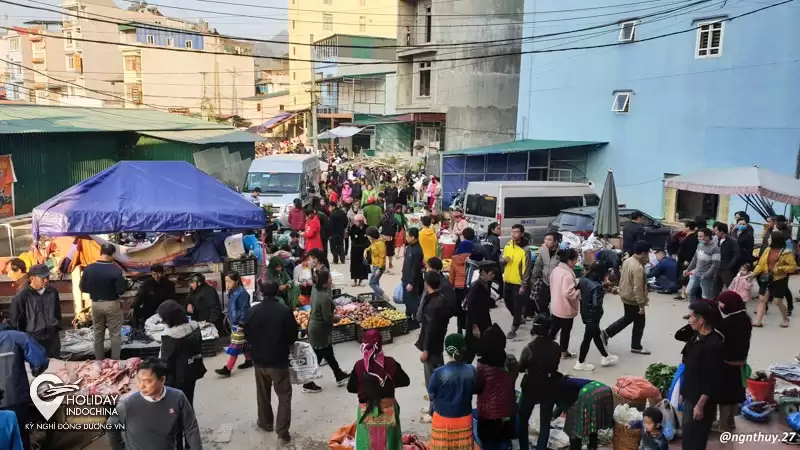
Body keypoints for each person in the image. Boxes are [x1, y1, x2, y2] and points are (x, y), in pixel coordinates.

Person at [244, 280, 298, 443]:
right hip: (278, 361)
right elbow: (292, 336)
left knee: (262, 393)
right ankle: (282, 431)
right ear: (276, 293)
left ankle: (265, 422)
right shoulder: (284, 311)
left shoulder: (253, 311)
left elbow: (247, 334)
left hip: (259, 360)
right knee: (284, 395)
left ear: (261, 293)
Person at [107, 358, 202, 450]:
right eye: (139, 380)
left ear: (162, 380)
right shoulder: (127, 405)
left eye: (148, 381)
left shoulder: (177, 398)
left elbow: (191, 428)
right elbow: (111, 426)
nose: (141, 386)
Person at [347, 329, 411, 450]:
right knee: (389, 442)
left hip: (366, 409)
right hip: (388, 407)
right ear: (381, 344)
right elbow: (405, 381)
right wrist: (387, 385)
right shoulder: (391, 363)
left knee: (367, 441)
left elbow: (351, 388)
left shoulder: (359, 365)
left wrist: (366, 388)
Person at [674, 302, 725, 450]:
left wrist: (700, 405)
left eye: (691, 317)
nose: (689, 320)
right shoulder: (696, 336)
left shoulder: (713, 345)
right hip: (691, 393)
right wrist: (683, 391)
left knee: (696, 437)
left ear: (701, 320)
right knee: (688, 433)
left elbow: (712, 378)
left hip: (701, 400)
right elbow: (680, 337)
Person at [0, 319, 48, 450]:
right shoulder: (18, 337)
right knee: (19, 440)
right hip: (14, 399)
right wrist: (35, 371)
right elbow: (40, 361)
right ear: (2, 318)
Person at [427, 333, 481, 450]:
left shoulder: (438, 373)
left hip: (442, 421)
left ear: (446, 350)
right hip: (464, 421)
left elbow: (432, 395)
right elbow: (477, 389)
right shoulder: (471, 371)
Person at [518, 314, 562, 450]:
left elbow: (520, 368)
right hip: (548, 387)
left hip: (530, 386)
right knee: (545, 423)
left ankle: (524, 447)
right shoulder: (556, 347)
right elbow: (554, 367)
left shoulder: (529, 348)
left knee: (523, 419)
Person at [304, 269, 350, 393]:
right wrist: (339, 318)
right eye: (329, 278)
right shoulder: (323, 297)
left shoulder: (316, 290)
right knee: (318, 356)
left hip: (316, 328)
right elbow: (327, 318)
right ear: (324, 282)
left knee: (328, 353)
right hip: (319, 330)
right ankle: (307, 382)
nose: (331, 280)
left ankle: (339, 374)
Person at [603, 240, 651, 355]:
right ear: (644, 253)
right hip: (633, 298)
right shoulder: (637, 267)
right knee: (639, 321)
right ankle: (635, 346)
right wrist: (641, 305)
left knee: (629, 318)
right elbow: (638, 288)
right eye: (647, 253)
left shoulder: (628, 261)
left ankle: (607, 333)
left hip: (625, 294)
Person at [79, 243, 126, 361]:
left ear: (101, 252)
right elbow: (121, 291)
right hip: (111, 303)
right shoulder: (116, 270)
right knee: (115, 334)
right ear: (113, 254)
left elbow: (83, 288)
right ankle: (114, 362)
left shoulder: (89, 269)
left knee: (98, 334)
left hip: (95, 304)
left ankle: (99, 361)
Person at [475, 325, 519, 450]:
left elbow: (477, 388)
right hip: (507, 411)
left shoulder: (481, 367)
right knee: (504, 443)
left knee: (488, 444)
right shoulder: (511, 362)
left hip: (487, 415)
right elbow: (514, 376)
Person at [156, 300, 206, 409]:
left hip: (176, 377)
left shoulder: (171, 336)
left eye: (163, 318)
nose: (162, 321)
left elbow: (166, 361)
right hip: (192, 370)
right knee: (188, 401)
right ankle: (190, 423)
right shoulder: (194, 328)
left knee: (175, 407)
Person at [714, 291, 752, 433]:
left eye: (722, 303)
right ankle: (731, 423)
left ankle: (723, 427)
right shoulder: (745, 319)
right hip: (739, 364)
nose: (720, 306)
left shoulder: (729, 323)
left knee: (725, 397)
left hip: (726, 364)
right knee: (734, 395)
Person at [417, 271, 451, 420]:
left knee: (432, 380)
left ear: (427, 284)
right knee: (435, 376)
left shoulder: (433, 304)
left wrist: (425, 349)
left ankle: (435, 411)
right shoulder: (440, 299)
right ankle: (433, 407)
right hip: (437, 345)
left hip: (432, 348)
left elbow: (430, 329)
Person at [9, 264, 61, 358]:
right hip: (34, 339)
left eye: (47, 277)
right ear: (32, 278)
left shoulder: (52, 292)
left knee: (56, 367)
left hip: (53, 338)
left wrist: (57, 326)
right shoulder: (22, 296)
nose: (46, 280)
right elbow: (16, 321)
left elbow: (57, 312)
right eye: (42, 278)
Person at [575, 262, 617, 371]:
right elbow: (596, 304)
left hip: (585, 313)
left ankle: (606, 356)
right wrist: (602, 291)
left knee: (596, 336)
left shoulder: (583, 279)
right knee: (588, 338)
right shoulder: (597, 287)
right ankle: (580, 362)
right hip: (593, 316)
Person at [750, 232, 796, 328]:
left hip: (779, 279)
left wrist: (779, 269)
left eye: (770, 238)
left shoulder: (786, 252)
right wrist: (753, 274)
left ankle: (785, 318)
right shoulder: (767, 250)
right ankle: (758, 321)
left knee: (777, 301)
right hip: (766, 277)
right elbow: (761, 264)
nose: (768, 240)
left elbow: (793, 267)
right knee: (762, 299)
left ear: (775, 240)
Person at [558, 376, 614, 450]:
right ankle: (592, 446)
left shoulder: (557, 389)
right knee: (593, 422)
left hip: (589, 394)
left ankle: (575, 448)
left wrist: (554, 416)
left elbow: (566, 407)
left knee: (573, 426)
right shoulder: (569, 381)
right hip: (604, 389)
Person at [216, 272, 252, 377]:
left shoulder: (242, 293)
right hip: (234, 322)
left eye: (229, 281)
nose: (227, 284)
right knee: (244, 343)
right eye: (226, 281)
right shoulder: (233, 292)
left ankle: (228, 368)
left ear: (236, 281)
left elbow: (245, 309)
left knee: (235, 346)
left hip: (239, 323)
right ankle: (249, 360)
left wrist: (241, 324)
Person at [548, 248, 580, 359]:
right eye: (575, 260)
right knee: (565, 332)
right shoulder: (567, 274)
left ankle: (545, 347)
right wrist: (579, 291)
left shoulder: (556, 270)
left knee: (553, 330)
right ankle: (563, 352)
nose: (576, 262)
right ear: (570, 261)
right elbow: (569, 293)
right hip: (566, 309)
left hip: (556, 306)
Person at [464, 260, 497, 364]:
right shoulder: (476, 287)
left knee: (486, 348)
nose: (493, 276)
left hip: (484, 321)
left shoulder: (486, 284)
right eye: (491, 274)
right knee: (470, 352)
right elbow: (471, 307)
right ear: (483, 273)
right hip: (476, 324)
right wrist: (475, 327)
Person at [502, 224, 531, 339]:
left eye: (516, 232)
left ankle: (514, 328)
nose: (514, 234)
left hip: (518, 282)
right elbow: (501, 260)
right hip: (508, 280)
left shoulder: (526, 250)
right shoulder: (508, 245)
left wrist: (524, 285)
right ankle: (519, 318)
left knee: (517, 305)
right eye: (512, 232)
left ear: (522, 234)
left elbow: (527, 269)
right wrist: (503, 261)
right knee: (507, 302)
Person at [132, 264, 175, 329]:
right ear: (151, 273)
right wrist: (133, 306)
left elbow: (171, 299)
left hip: (163, 312)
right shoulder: (147, 283)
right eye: (154, 274)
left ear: (162, 273)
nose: (156, 276)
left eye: (159, 274)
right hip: (149, 311)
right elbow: (140, 296)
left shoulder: (169, 284)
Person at [684, 227, 720, 306]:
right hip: (696, 273)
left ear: (707, 237)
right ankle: (694, 310)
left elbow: (715, 264)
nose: (699, 238)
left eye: (701, 236)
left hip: (706, 277)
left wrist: (707, 274)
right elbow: (695, 258)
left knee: (706, 297)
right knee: (689, 291)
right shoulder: (700, 245)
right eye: (698, 236)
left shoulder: (715, 248)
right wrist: (688, 269)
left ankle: (707, 314)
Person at [449, 232, 473, 335]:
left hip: (458, 288)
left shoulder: (454, 259)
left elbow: (451, 276)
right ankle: (468, 330)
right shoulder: (472, 258)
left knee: (460, 311)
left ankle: (459, 330)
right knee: (469, 310)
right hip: (469, 288)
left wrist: (451, 286)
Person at [403, 227, 425, 329]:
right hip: (406, 278)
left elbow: (416, 269)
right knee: (407, 300)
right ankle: (408, 318)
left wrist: (411, 283)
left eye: (407, 236)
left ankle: (415, 321)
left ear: (413, 237)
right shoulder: (409, 247)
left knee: (413, 301)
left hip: (413, 281)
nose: (405, 238)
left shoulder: (417, 251)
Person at [676, 220, 699, 300]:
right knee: (683, 275)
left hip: (687, 260)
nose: (682, 228)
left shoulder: (692, 237)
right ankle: (683, 292)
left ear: (688, 228)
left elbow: (691, 250)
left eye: (683, 226)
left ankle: (684, 293)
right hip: (682, 259)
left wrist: (687, 260)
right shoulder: (687, 236)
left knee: (685, 275)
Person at [714, 222, 740, 293]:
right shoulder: (717, 240)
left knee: (730, 286)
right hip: (717, 266)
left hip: (726, 268)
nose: (715, 232)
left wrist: (730, 265)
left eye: (716, 231)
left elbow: (737, 255)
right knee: (716, 287)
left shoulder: (732, 241)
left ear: (721, 231)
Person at [366, 227, 387, 301]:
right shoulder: (374, 242)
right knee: (376, 282)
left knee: (372, 283)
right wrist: (366, 250)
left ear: (372, 235)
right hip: (375, 265)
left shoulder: (380, 244)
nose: (367, 236)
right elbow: (371, 248)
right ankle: (378, 299)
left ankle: (383, 295)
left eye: (368, 235)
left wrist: (380, 268)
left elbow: (382, 257)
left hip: (379, 266)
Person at [350, 214, 370, 287]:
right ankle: (354, 280)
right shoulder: (353, 227)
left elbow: (368, 238)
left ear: (361, 221)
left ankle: (361, 280)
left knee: (362, 265)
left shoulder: (366, 228)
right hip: (355, 248)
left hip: (363, 248)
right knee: (354, 264)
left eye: (356, 221)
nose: (355, 223)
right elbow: (352, 237)